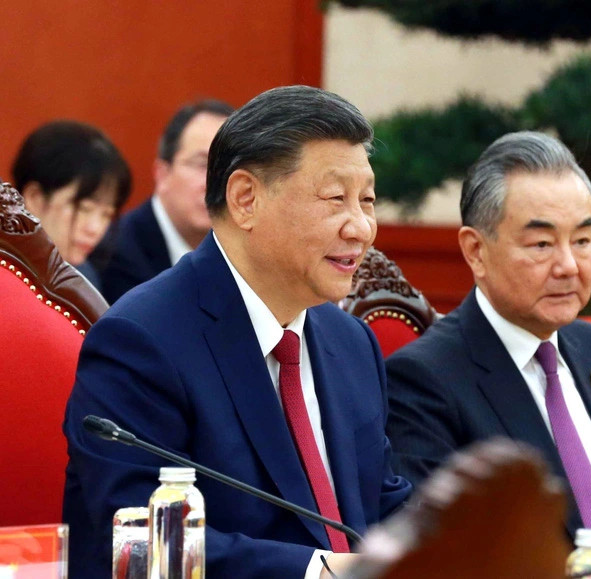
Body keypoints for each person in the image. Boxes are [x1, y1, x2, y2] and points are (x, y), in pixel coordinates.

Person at [63, 85, 412, 578]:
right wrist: (322, 572)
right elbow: (143, 547)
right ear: (245, 198)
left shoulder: (351, 342)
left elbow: (387, 507)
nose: (361, 227)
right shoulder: (141, 340)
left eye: (368, 200)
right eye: (336, 199)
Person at [385, 131, 591, 560]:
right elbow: (439, 556)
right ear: (476, 251)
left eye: (582, 240)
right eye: (541, 244)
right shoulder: (425, 380)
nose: (568, 266)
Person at [94, 98, 233, 303]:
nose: (215, 183)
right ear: (163, 173)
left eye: (229, 167)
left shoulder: (245, 254)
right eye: (202, 165)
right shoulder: (116, 255)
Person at [11, 120, 131, 288]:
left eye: (107, 215)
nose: (95, 229)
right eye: (84, 209)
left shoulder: (84, 278)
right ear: (34, 197)